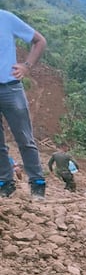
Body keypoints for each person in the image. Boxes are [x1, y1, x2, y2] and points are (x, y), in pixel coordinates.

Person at [0, 11, 47, 198]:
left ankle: (37, 184)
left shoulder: (6, 18)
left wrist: (26, 66)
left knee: (25, 139)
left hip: (11, 89)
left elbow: (39, 41)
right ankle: (5, 183)